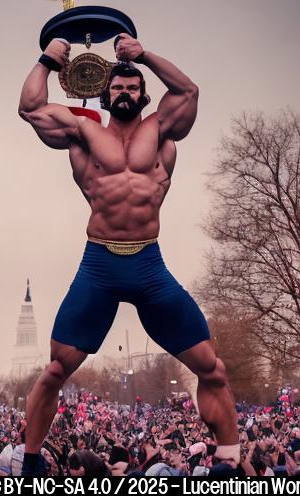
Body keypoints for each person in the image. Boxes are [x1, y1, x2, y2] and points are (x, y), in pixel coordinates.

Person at [17, 33, 238, 475]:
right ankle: (31, 463)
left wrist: (145, 55)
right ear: (104, 93)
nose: (124, 93)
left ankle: (227, 465)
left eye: (132, 87)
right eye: (117, 88)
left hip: (148, 265)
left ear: (144, 94)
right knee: (55, 370)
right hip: (99, 263)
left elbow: (189, 91)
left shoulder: (161, 132)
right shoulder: (83, 132)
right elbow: (30, 108)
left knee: (212, 367)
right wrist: (46, 58)